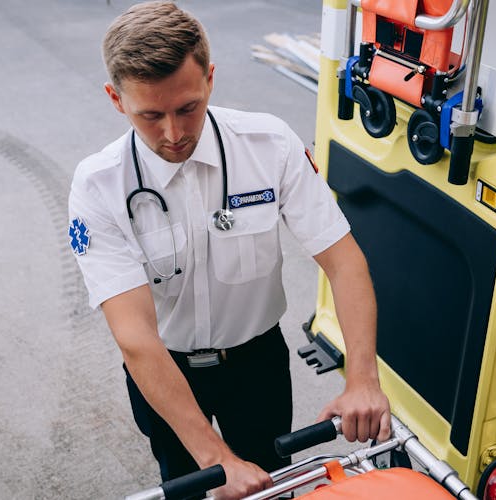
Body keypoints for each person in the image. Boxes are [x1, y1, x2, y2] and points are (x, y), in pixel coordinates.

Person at [67, 2, 391, 498]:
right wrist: (216, 459)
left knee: (267, 482)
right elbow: (135, 336)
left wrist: (364, 380)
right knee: (186, 484)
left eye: (187, 108)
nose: (173, 134)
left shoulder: (269, 146)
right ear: (116, 99)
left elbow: (343, 262)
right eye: (150, 115)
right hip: (164, 370)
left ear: (210, 80)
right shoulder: (98, 187)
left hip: (255, 364)